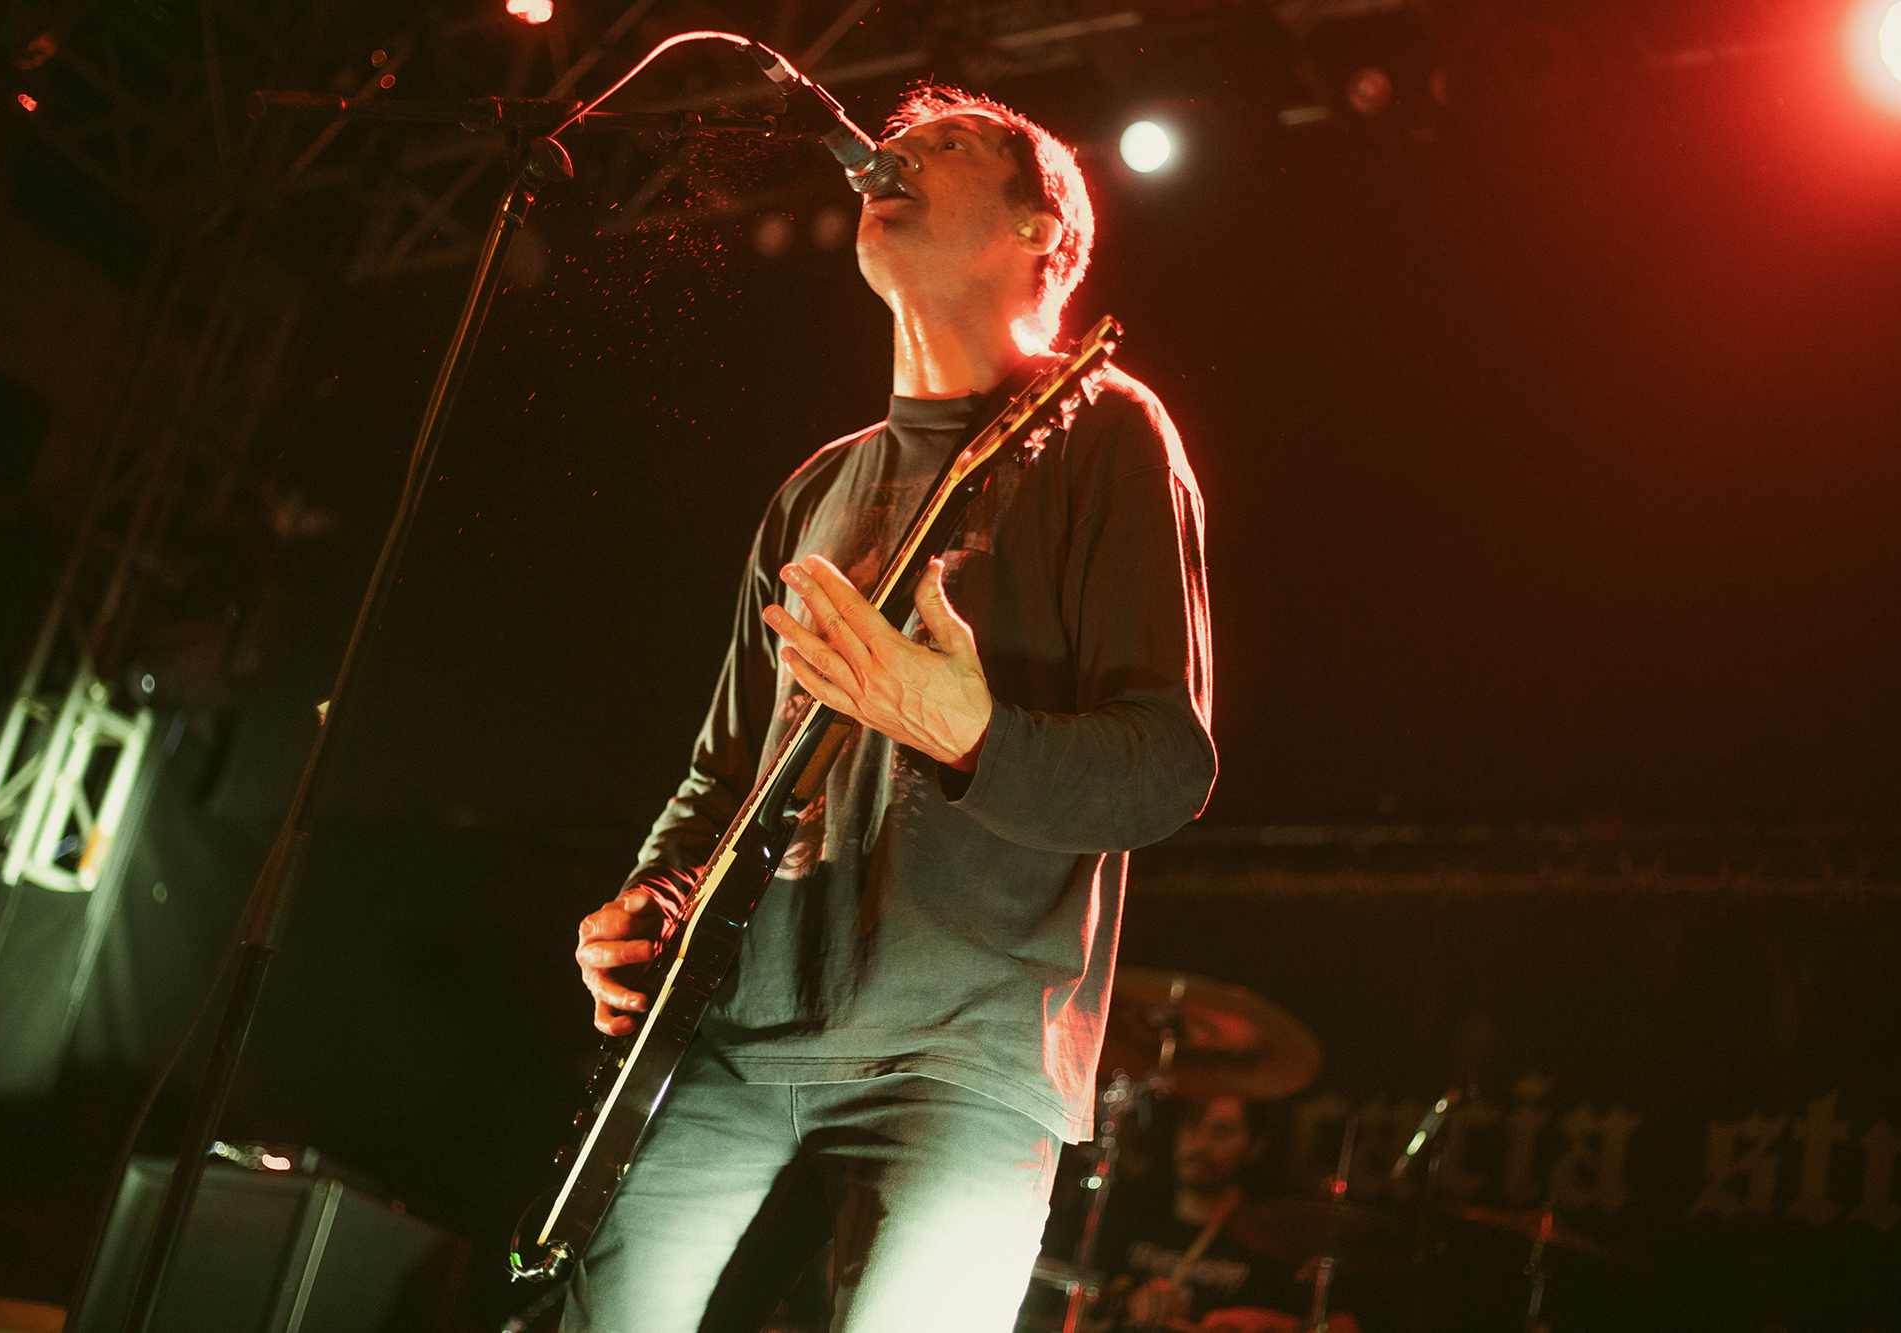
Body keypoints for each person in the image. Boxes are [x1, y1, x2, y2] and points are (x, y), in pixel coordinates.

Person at [568, 83, 1218, 1333]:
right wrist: (646, 902)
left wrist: (964, 728)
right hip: (730, 1035)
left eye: (946, 145)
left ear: (1039, 229)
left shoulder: (1107, 431)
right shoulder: (811, 489)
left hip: (963, 1058)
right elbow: (721, 775)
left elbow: (1161, 769)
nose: (890, 155)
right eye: (894, 142)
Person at [1086, 1098, 1360, 1333]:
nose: (1201, 1143)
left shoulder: (1277, 1233)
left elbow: (1344, 1326)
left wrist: (1273, 1325)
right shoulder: (1131, 1210)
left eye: (1222, 1131)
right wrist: (1126, 1302)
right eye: (1193, 1125)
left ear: (1255, 1145)